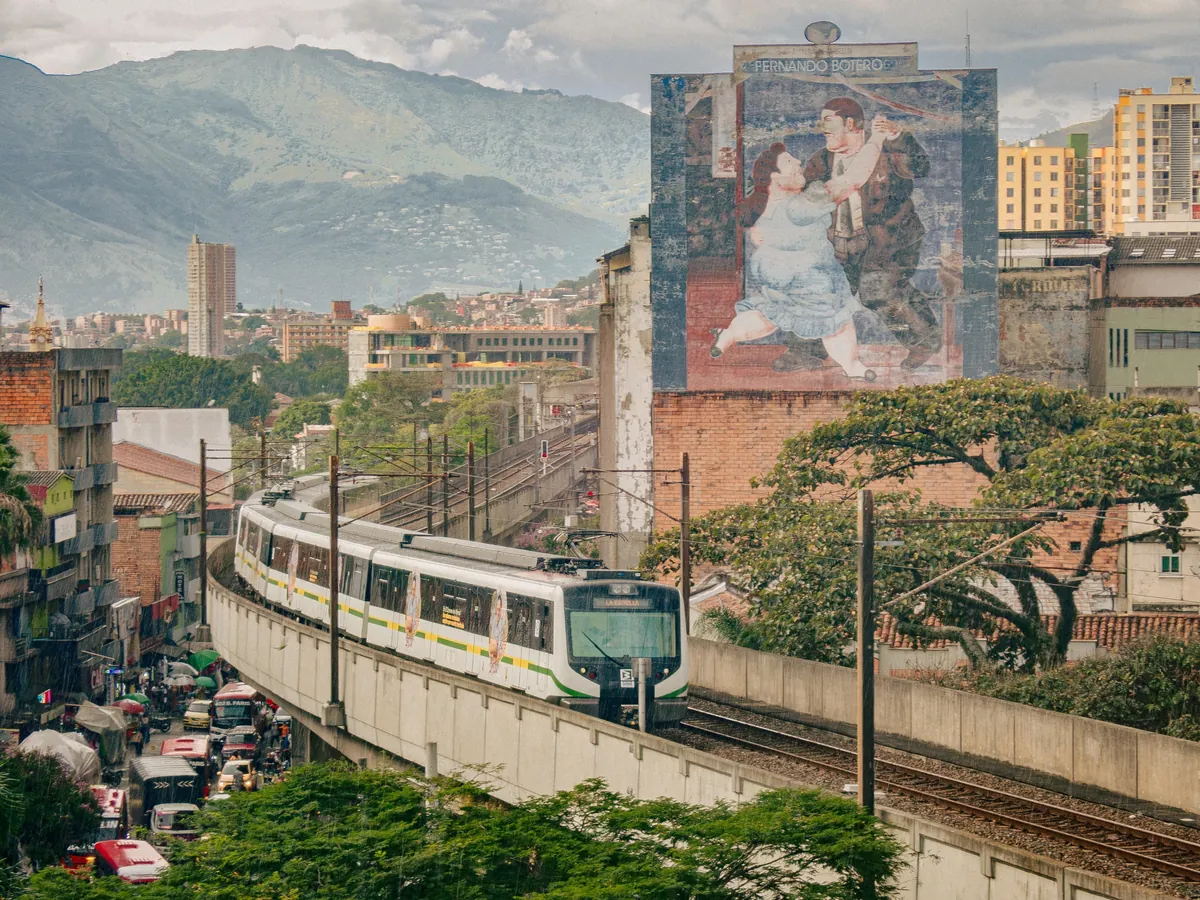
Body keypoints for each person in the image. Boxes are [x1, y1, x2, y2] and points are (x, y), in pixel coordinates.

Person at [709, 132, 890, 380]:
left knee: (772, 313)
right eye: (790, 162)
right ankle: (852, 365)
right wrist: (876, 139)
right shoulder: (802, 205)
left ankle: (728, 335)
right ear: (776, 177)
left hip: (772, 272)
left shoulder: (761, 204)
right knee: (836, 318)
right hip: (808, 274)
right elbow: (853, 179)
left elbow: (760, 231)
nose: (798, 164)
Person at [798, 97, 942, 371]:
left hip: (889, 239)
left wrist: (898, 137)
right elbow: (811, 196)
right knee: (819, 290)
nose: (823, 129)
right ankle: (806, 351)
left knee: (878, 289)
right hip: (840, 242)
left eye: (829, 122)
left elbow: (920, 169)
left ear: (850, 124)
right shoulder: (821, 159)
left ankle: (924, 340)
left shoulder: (888, 151)